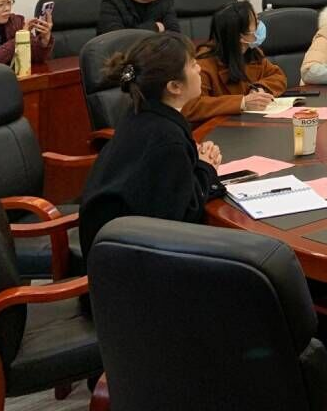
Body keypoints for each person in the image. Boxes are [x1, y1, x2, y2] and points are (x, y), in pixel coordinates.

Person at [78, 32, 223, 260]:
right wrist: (207, 168)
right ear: (174, 86)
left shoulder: (141, 113)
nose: (200, 69)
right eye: (193, 64)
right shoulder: (166, 137)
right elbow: (183, 216)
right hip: (127, 261)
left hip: (111, 244)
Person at [188, 0, 287, 122]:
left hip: (251, 124)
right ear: (241, 36)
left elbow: (278, 76)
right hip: (218, 128)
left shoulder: (253, 53)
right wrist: (242, 102)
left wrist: (260, 88)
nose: (260, 25)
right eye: (256, 23)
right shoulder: (203, 64)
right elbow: (193, 106)